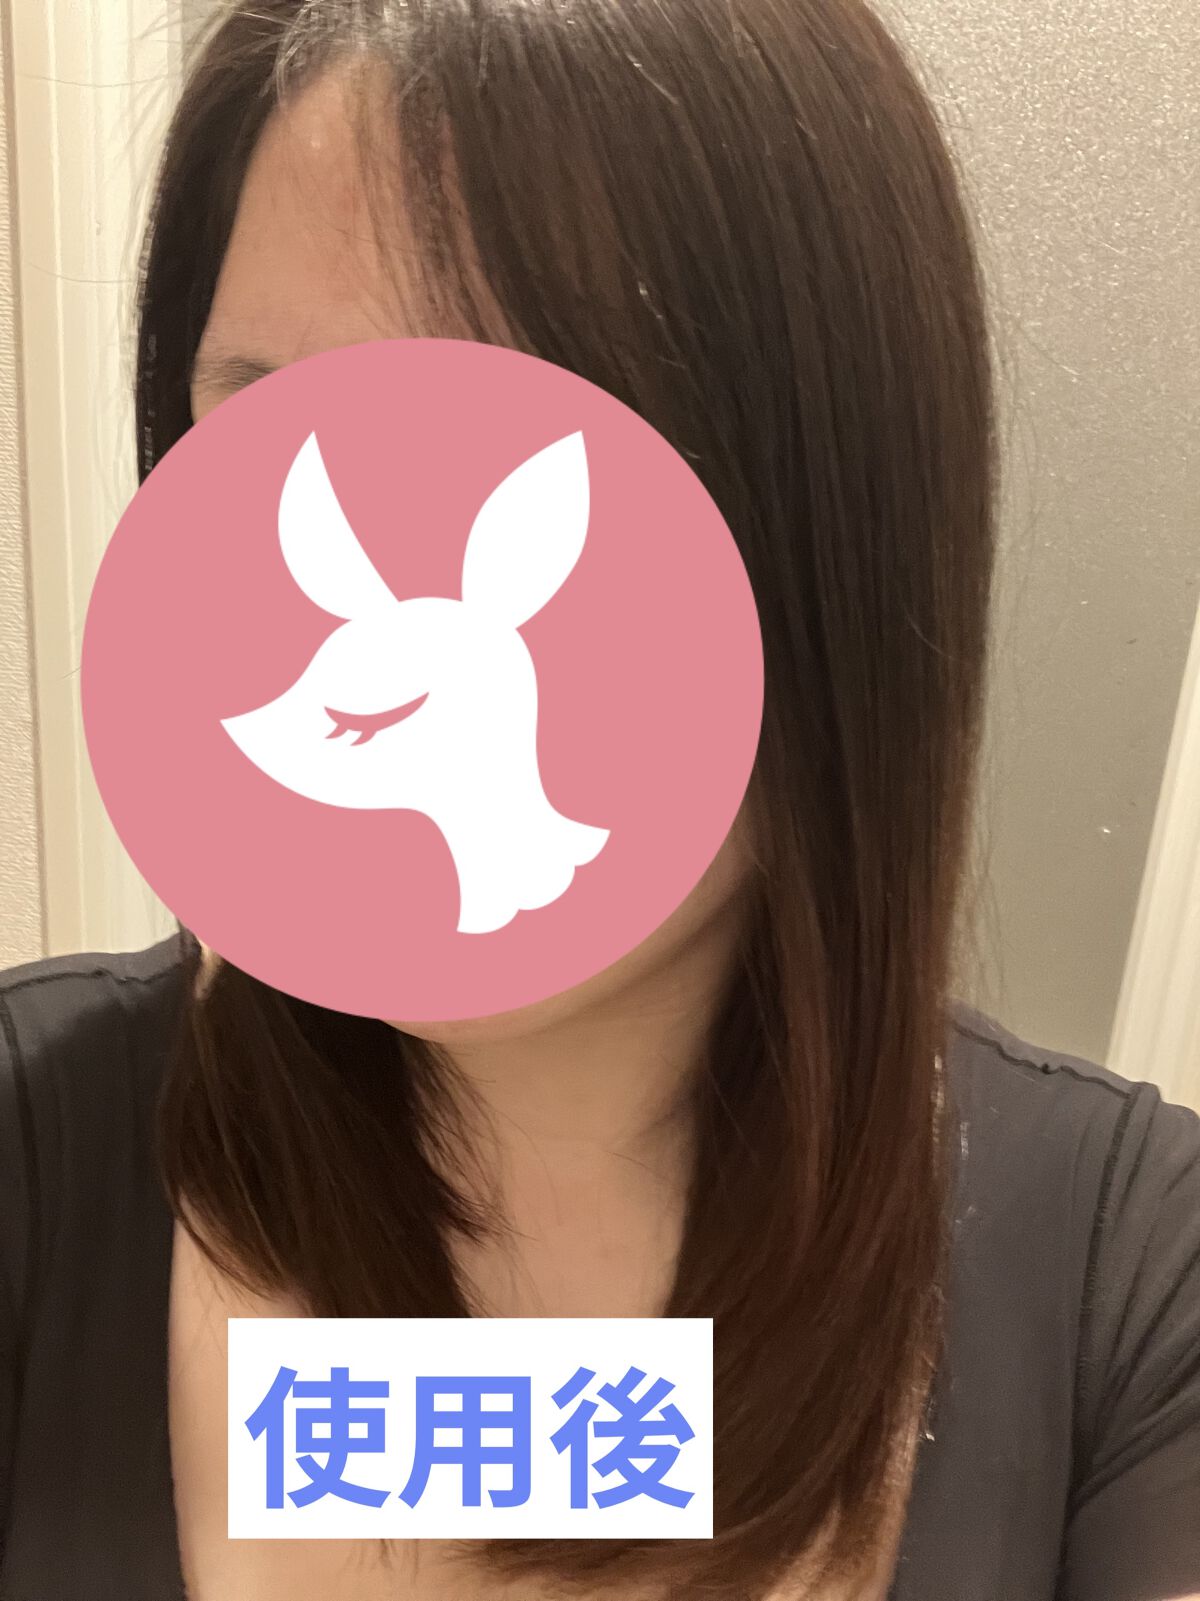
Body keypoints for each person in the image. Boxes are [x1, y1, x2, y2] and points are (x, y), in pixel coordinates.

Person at [2, 1, 1198, 1598]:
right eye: (271, 435)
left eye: (515, 424)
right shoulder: (31, 1144)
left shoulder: (1134, 1276)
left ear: (838, 542)